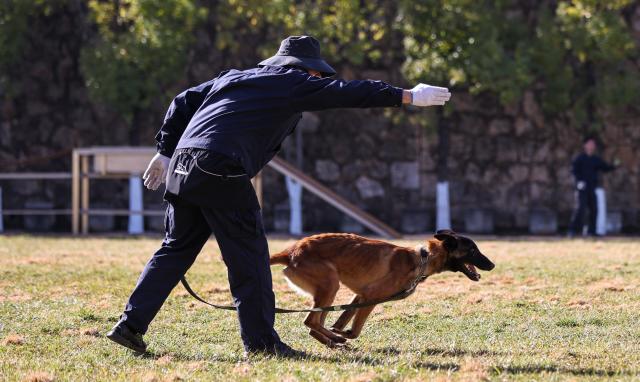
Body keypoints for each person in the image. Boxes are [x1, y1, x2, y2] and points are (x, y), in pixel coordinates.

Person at [106, 35, 451, 357]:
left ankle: (130, 325)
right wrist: (407, 95)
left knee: (175, 249)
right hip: (220, 166)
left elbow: (182, 100)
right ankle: (261, 343)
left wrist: (166, 151)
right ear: (305, 67)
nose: (319, 79)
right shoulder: (292, 82)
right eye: (317, 73)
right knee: (251, 259)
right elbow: (347, 92)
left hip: (183, 166)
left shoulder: (233, 77)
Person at [568, 136, 617, 237]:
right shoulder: (579, 158)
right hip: (582, 188)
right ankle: (572, 230)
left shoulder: (596, 159)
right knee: (580, 209)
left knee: (594, 209)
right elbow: (574, 171)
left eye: (593, 144)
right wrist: (579, 182)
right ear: (585, 145)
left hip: (592, 188)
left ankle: (592, 231)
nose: (591, 146)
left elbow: (605, 168)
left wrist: (615, 165)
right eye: (589, 143)